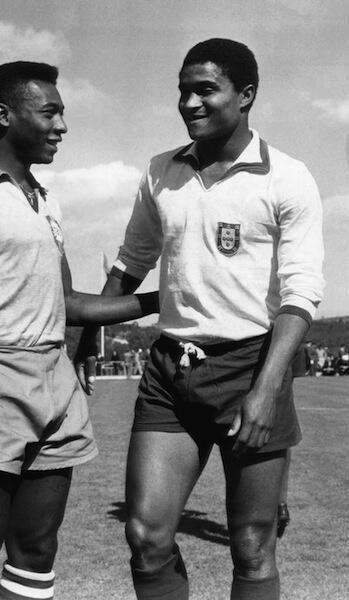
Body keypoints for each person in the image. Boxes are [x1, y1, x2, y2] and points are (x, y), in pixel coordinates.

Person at [76, 38, 324, 600]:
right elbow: (131, 263)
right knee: (145, 536)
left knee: (253, 546)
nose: (189, 103)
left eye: (205, 90)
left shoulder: (287, 177)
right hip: (171, 370)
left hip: (251, 367)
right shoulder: (160, 171)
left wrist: (266, 390)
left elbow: (302, 291)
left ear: (246, 95)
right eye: (183, 91)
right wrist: (87, 338)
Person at [0, 61, 158, 600]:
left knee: (37, 548)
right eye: (49, 112)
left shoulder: (45, 199)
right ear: (4, 115)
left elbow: (68, 304)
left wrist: (164, 298)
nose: (62, 126)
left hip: (54, 379)